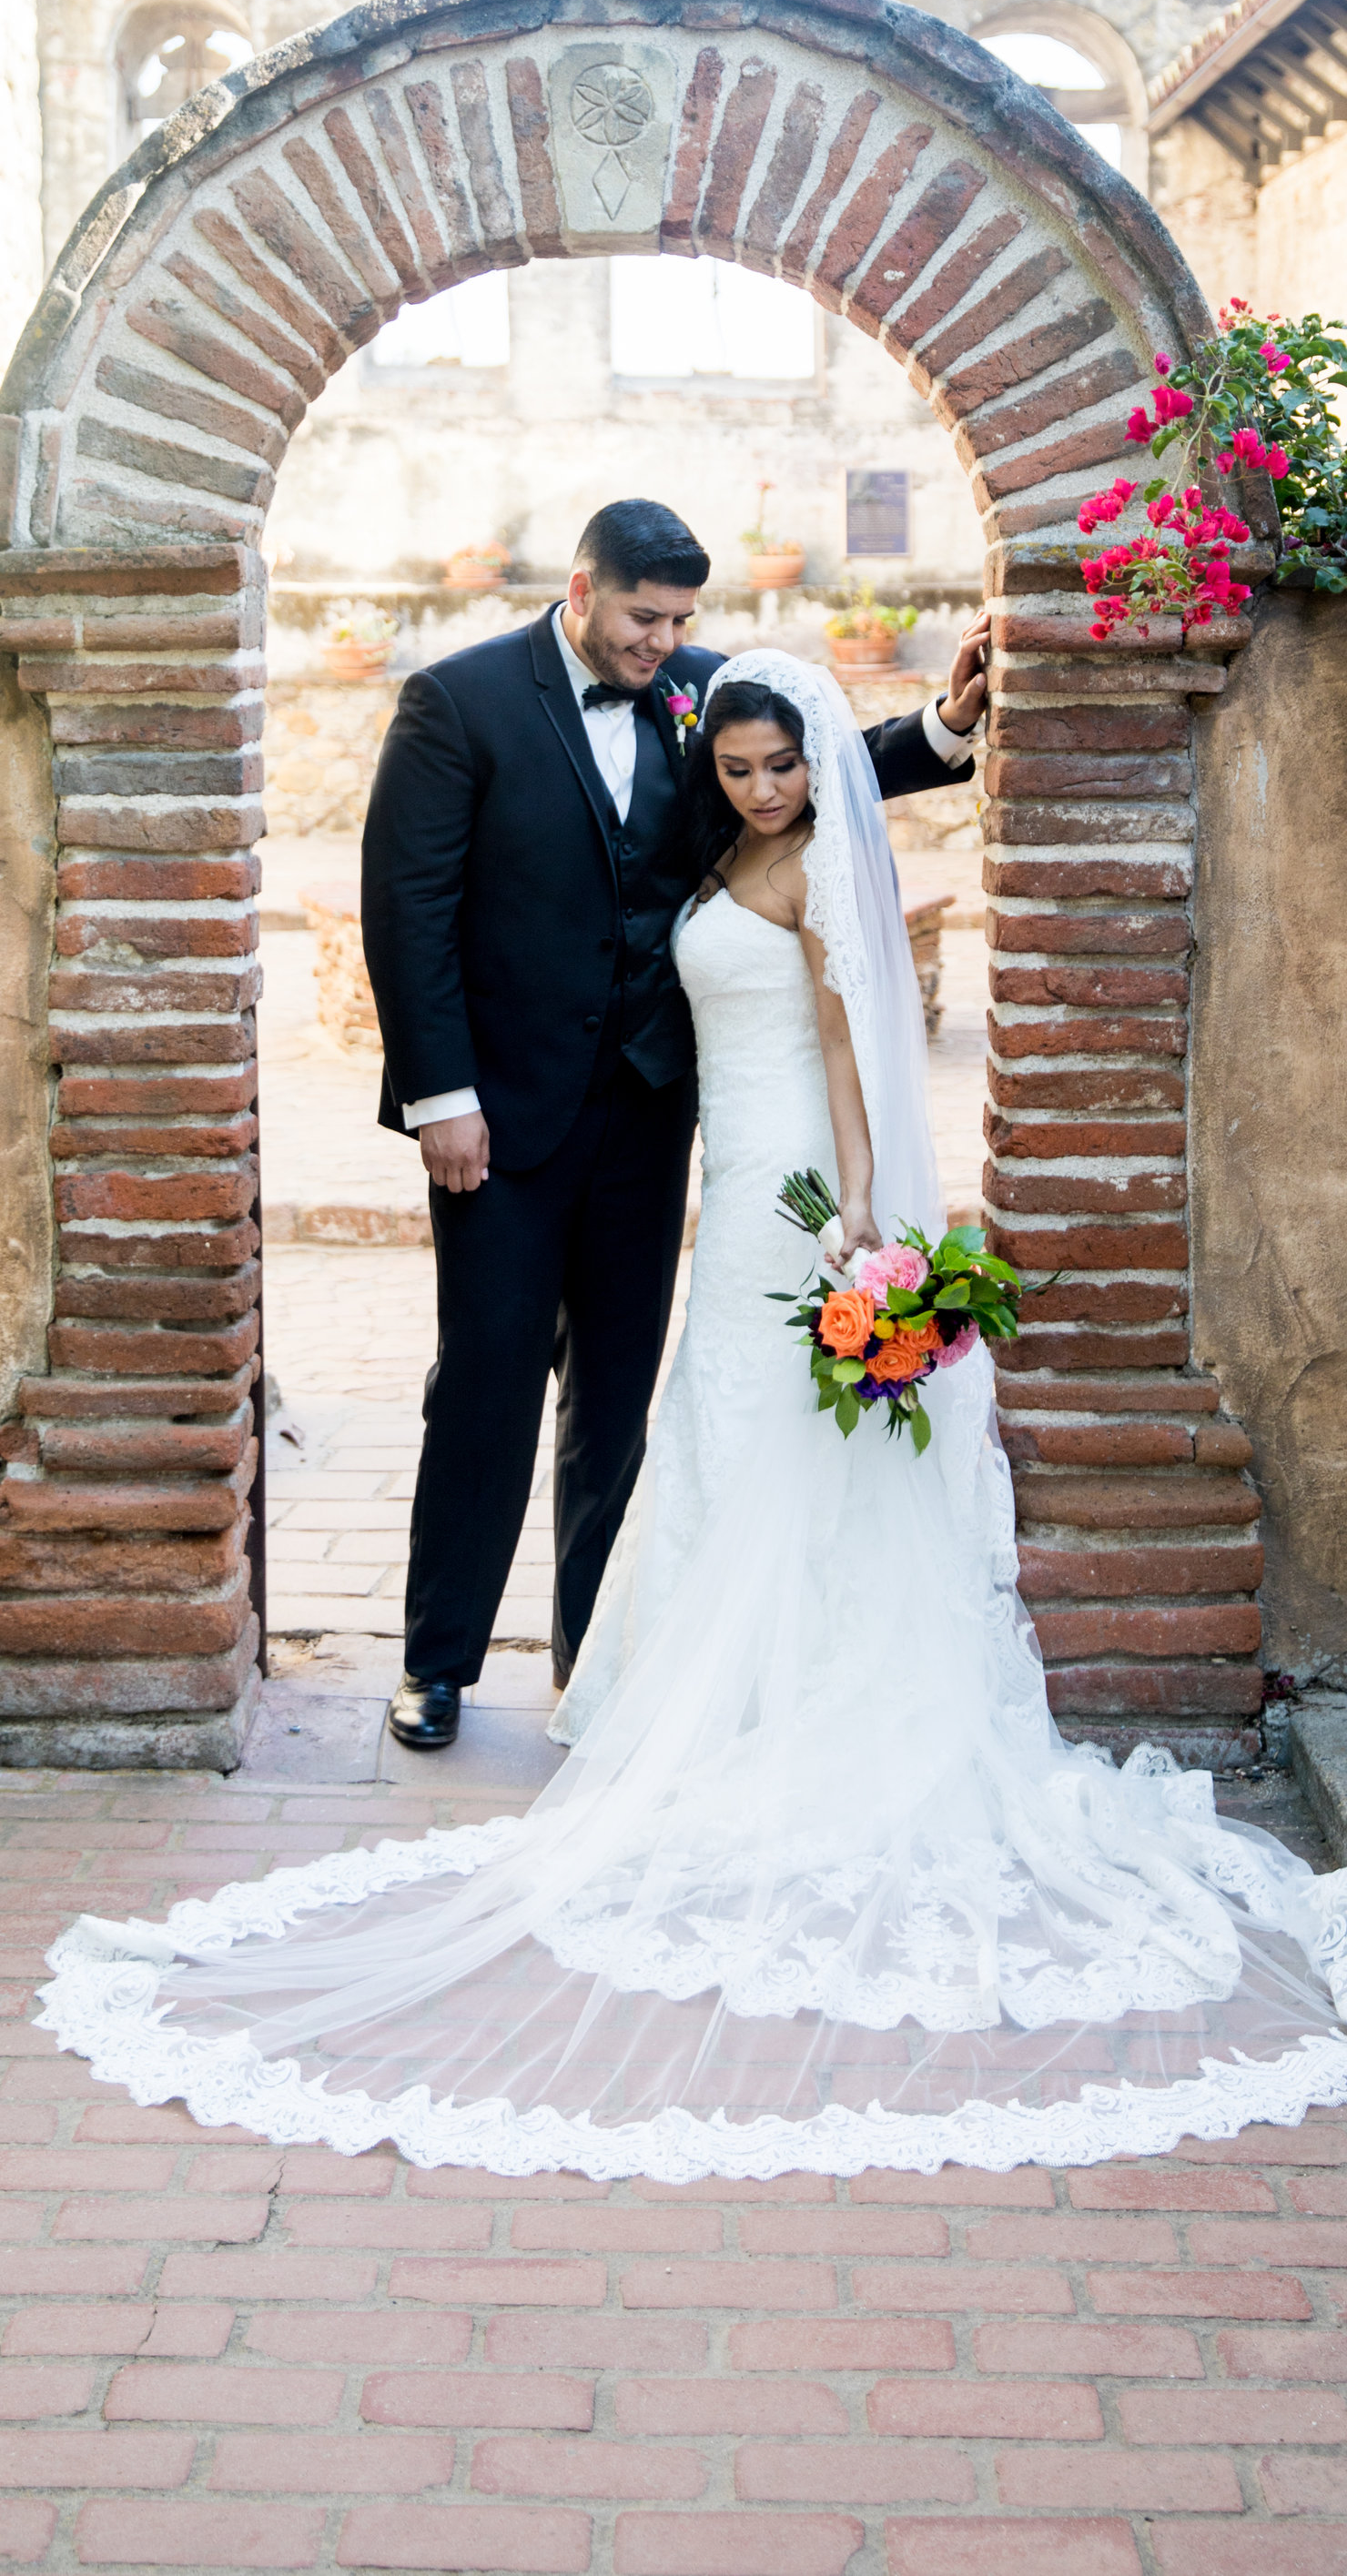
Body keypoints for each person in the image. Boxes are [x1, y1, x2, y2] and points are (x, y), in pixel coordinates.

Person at [36, 652, 1347, 2187]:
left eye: (774, 757)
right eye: (736, 758)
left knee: (733, 1434)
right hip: (660, 1153)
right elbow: (435, 894)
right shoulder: (600, 762)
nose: (753, 771)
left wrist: (869, 1219)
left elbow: (847, 1018)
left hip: (789, 1195)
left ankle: (738, 1708)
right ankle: (541, 1675)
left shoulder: (800, 808)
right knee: (629, 1415)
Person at [356, 495, 985, 1753]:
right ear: (582, 590)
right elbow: (405, 905)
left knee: (619, 1399)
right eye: (648, 617)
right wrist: (442, 1098)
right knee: (483, 1383)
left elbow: (813, 765)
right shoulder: (457, 702)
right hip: (498, 1122)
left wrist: (947, 723)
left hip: (653, 1116)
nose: (667, 641)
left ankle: (597, 1649)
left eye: (685, 618)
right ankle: (438, 1660)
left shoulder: (703, 691)